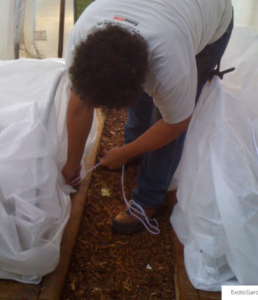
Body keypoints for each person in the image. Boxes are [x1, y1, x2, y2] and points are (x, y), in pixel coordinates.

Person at [62, 0, 233, 235]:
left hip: (212, 18)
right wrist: (72, 163)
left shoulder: (170, 63)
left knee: (172, 109)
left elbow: (175, 124)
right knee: (147, 100)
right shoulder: (81, 41)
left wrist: (124, 152)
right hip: (165, 16)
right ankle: (137, 147)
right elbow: (78, 107)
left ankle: (149, 198)